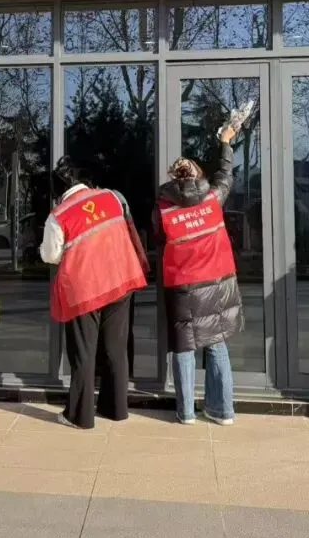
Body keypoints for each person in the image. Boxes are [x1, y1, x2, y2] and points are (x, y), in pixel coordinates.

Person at [39, 157, 149, 429]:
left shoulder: (59, 215)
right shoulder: (110, 197)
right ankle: (115, 409)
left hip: (85, 288)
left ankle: (80, 416)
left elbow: (51, 255)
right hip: (120, 280)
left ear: (58, 190)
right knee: (116, 348)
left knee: (83, 352)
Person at [153, 122, 243, 426]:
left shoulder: (162, 209)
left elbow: (158, 238)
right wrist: (226, 142)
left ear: (173, 177)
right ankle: (223, 411)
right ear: (198, 175)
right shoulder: (212, 199)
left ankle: (187, 413)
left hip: (182, 285)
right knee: (216, 343)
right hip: (217, 281)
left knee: (184, 346)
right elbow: (225, 175)